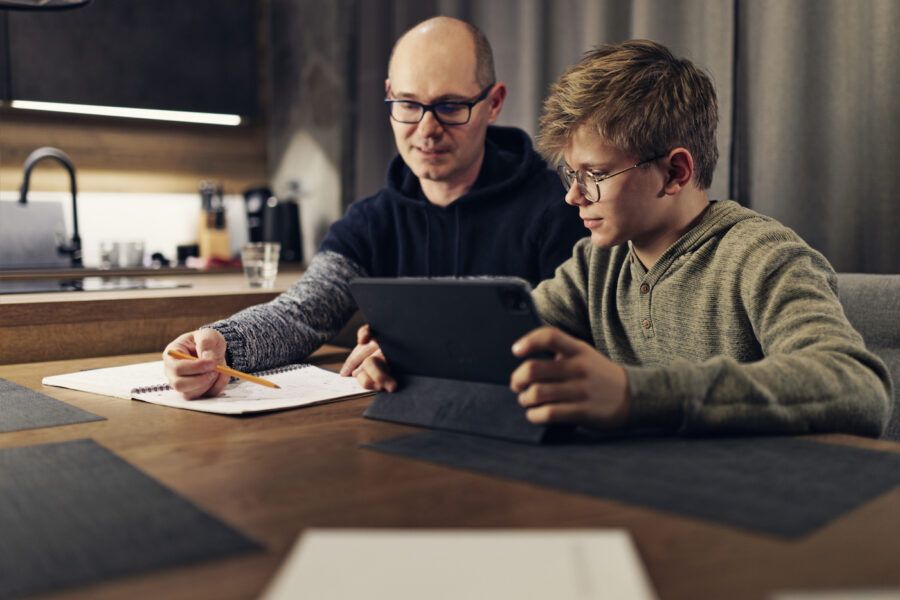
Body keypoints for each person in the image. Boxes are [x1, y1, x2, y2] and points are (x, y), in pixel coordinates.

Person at [352, 39, 892, 437]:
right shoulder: (595, 265)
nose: (573, 197)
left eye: (594, 175)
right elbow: (497, 340)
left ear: (676, 172)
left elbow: (857, 387)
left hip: (754, 515)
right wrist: (406, 353)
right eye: (570, 175)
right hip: (638, 494)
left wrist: (635, 395)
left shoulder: (761, 258)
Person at [162, 16, 585, 399]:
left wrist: (419, 348)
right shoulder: (371, 220)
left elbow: (578, 338)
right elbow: (301, 314)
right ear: (389, 97)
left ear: (493, 102)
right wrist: (220, 343)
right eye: (408, 104)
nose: (426, 129)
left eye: (451, 106)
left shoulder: (559, 208)